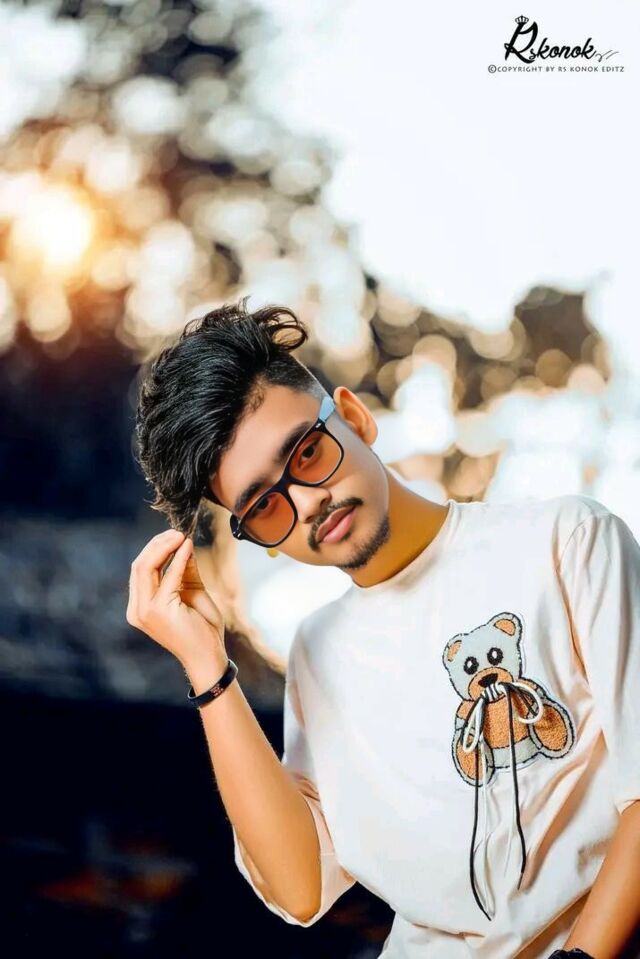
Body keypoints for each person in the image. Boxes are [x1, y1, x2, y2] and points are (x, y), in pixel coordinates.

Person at [127, 298, 640, 958]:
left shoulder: (565, 541)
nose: (308, 502)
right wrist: (207, 666)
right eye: (266, 506)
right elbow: (300, 885)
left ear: (356, 418)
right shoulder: (317, 652)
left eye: (308, 452)